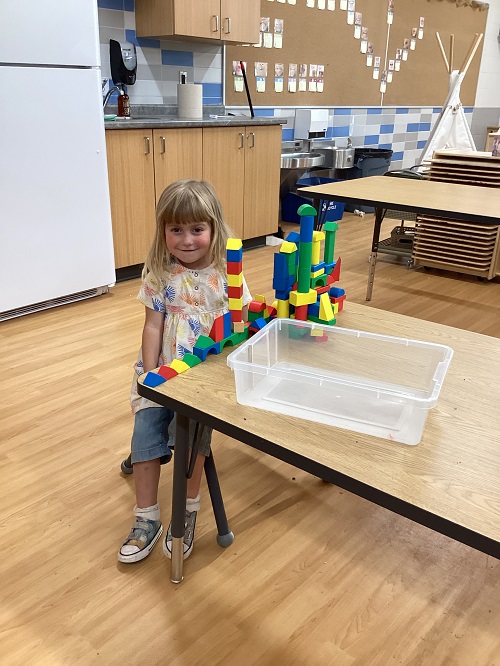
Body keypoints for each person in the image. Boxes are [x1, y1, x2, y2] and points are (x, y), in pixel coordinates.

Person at [118, 179, 252, 564]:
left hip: (203, 380)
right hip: (163, 375)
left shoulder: (229, 271)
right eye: (176, 229)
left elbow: (239, 323)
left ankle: (187, 510)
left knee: (193, 446)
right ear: (163, 231)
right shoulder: (159, 272)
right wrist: (149, 374)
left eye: (197, 229)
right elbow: (152, 327)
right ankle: (147, 518)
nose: (187, 239)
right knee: (145, 436)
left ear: (214, 229)